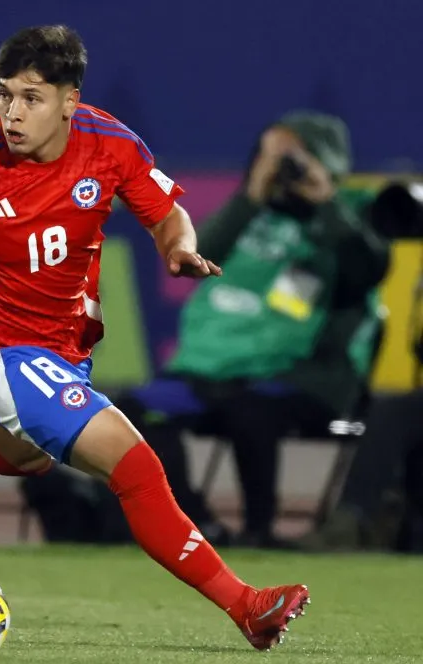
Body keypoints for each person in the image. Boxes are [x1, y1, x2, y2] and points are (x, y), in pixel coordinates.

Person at [0, 24, 308, 651]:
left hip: (65, 352)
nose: (12, 112)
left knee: (23, 454)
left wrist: (178, 247)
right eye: (5, 94)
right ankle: (247, 605)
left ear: (69, 101)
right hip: (0, 354)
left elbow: (166, 212)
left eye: (31, 97)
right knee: (134, 463)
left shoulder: (107, 141)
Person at [116, 111, 390, 548]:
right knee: (131, 411)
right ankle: (196, 523)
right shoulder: (248, 212)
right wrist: (251, 195)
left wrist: (324, 199)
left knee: (250, 410)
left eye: (296, 156)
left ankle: (258, 531)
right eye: (273, 154)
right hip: (209, 372)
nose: (285, 166)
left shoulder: (350, 215)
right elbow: (192, 256)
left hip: (289, 378)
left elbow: (367, 268)